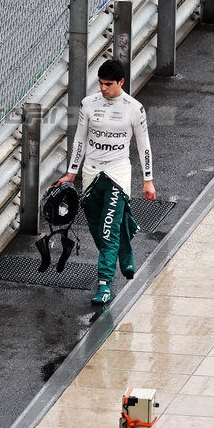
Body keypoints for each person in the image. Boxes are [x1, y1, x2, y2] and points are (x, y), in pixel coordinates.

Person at [55, 59, 156, 306]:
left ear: (121, 82)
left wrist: (148, 180)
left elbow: (144, 145)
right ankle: (125, 251)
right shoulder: (88, 104)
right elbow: (79, 139)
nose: (103, 88)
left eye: (108, 84)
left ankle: (104, 285)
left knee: (108, 231)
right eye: (100, 83)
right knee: (97, 228)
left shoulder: (135, 108)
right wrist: (71, 173)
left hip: (118, 175)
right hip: (91, 174)